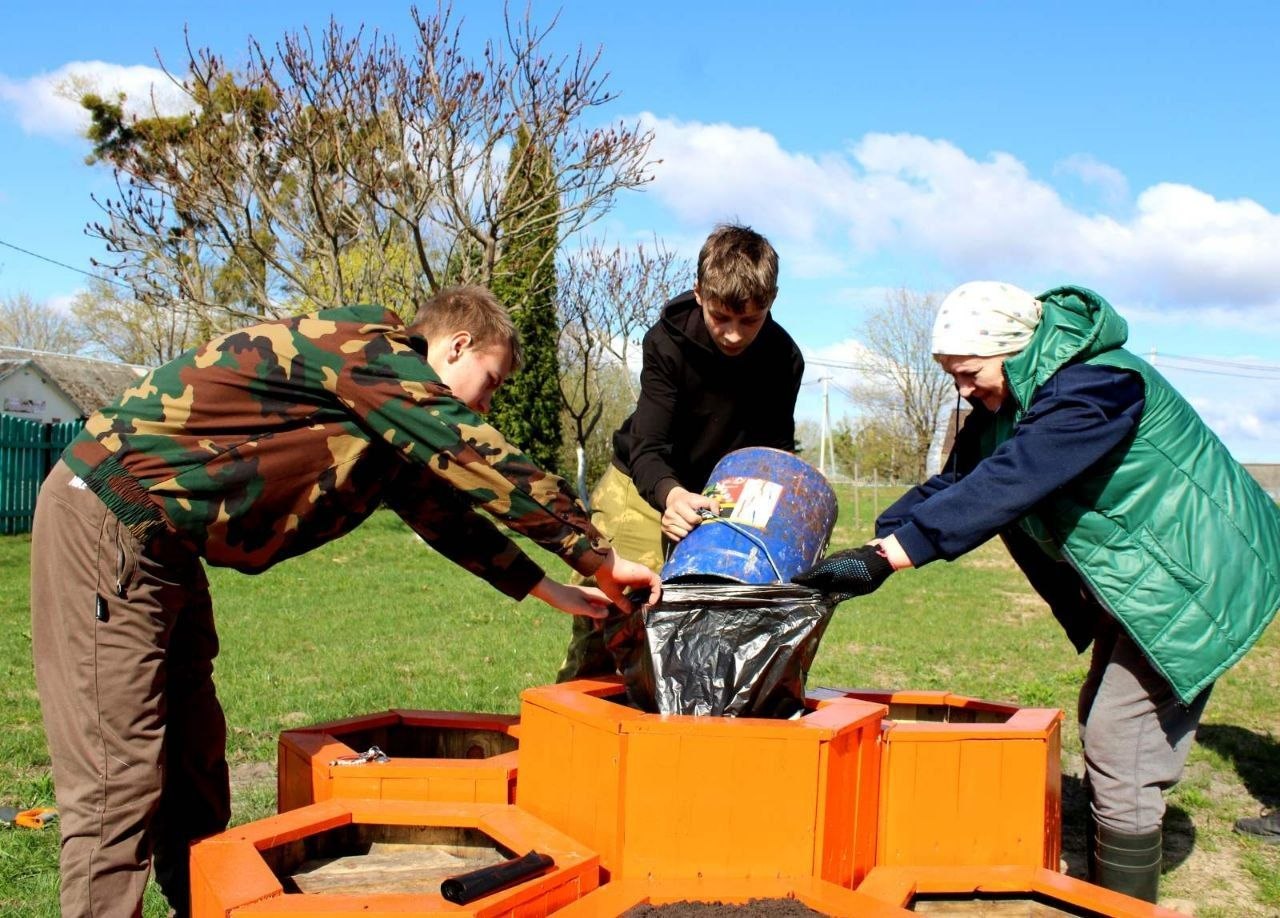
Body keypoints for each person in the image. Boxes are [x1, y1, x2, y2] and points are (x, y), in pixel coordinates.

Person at [29, 285, 662, 918]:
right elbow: (468, 450)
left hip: (166, 549)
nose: (488, 404)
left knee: (193, 757)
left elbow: (443, 511)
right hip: (108, 519)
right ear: (456, 345)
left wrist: (550, 588)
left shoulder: (380, 415)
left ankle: (200, 905)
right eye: (489, 382)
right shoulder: (367, 354)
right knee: (118, 777)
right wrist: (599, 555)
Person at [794, 282, 1280, 902]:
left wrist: (890, 558)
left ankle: (1125, 906)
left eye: (968, 373)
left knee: (1119, 737)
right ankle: (1115, 872)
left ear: (1013, 350)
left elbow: (1012, 480)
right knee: (1103, 715)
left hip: (1194, 576)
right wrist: (869, 544)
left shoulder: (1100, 385)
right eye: (951, 377)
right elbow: (956, 483)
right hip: (1140, 581)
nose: (964, 390)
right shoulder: (1009, 404)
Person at [556, 224, 804, 681]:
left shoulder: (784, 358)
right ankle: (571, 735)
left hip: (717, 501)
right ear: (699, 293)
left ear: (771, 301)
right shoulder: (667, 341)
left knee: (699, 637)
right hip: (640, 485)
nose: (733, 335)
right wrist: (671, 497)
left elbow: (771, 455)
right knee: (611, 623)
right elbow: (648, 446)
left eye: (750, 320)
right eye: (720, 317)